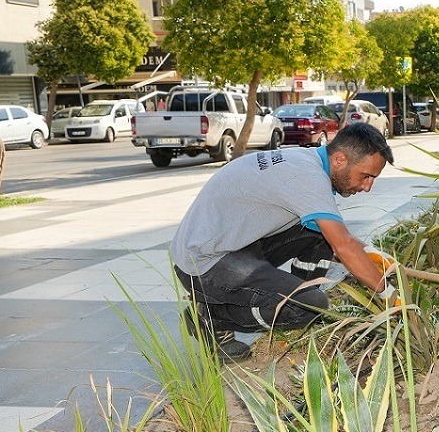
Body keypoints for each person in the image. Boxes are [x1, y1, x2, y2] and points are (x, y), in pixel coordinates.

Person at [170, 123, 398, 360]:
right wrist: (388, 294)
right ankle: (210, 318)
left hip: (231, 245)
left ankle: (294, 295)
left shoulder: (308, 161)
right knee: (308, 306)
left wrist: (376, 257)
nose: (368, 187)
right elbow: (343, 245)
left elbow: (341, 239)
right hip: (204, 264)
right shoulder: (306, 177)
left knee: (319, 235)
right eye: (366, 176)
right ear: (340, 159)